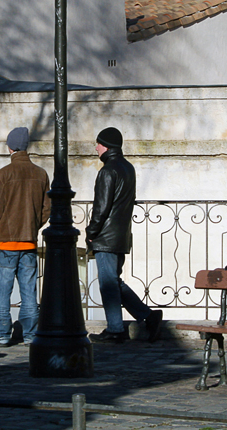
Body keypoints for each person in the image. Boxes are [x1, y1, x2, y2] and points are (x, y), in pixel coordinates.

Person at [85, 127, 164, 344]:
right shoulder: (128, 168)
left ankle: (116, 329)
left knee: (108, 284)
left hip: (106, 237)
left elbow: (101, 207)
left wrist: (91, 232)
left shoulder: (107, 171)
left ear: (106, 146)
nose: (96, 148)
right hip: (120, 235)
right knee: (114, 282)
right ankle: (148, 316)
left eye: (98, 144)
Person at [0, 127, 51, 347]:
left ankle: (3, 334)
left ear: (10, 147)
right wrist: (33, 226)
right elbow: (46, 209)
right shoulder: (41, 174)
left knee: (3, 293)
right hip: (28, 240)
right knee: (29, 292)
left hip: (6, 241)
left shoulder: (3, 174)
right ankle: (30, 334)